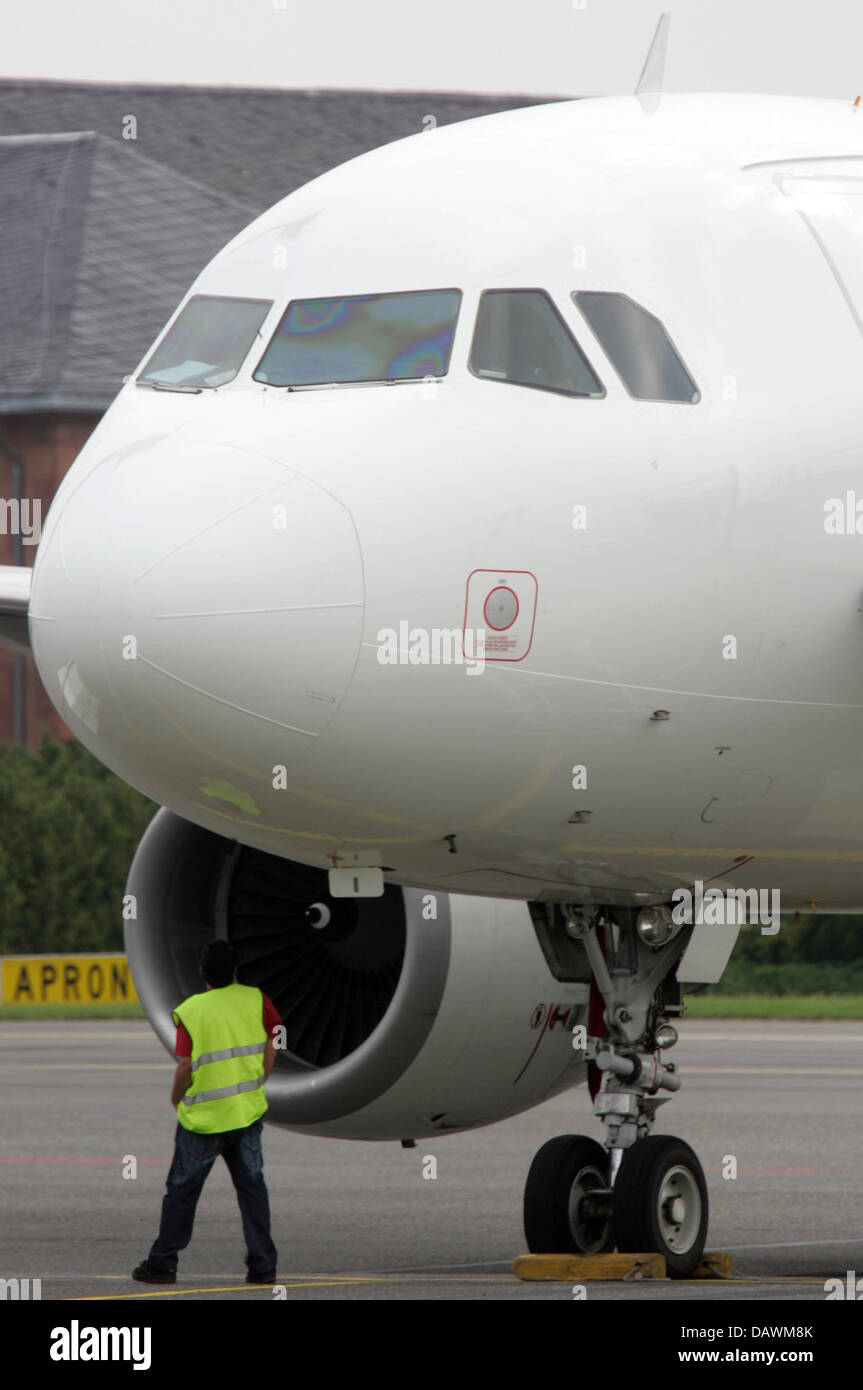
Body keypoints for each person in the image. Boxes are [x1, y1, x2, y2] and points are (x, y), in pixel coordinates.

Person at [132, 939, 280, 1285]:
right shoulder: (256, 999)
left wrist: (175, 1098)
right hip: (246, 1115)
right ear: (235, 970)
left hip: (204, 1122)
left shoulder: (192, 1010)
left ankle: (163, 1263)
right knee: (252, 1188)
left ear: (202, 973)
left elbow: (185, 1064)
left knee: (182, 1192)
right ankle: (263, 1266)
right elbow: (276, 1039)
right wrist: (261, 1077)